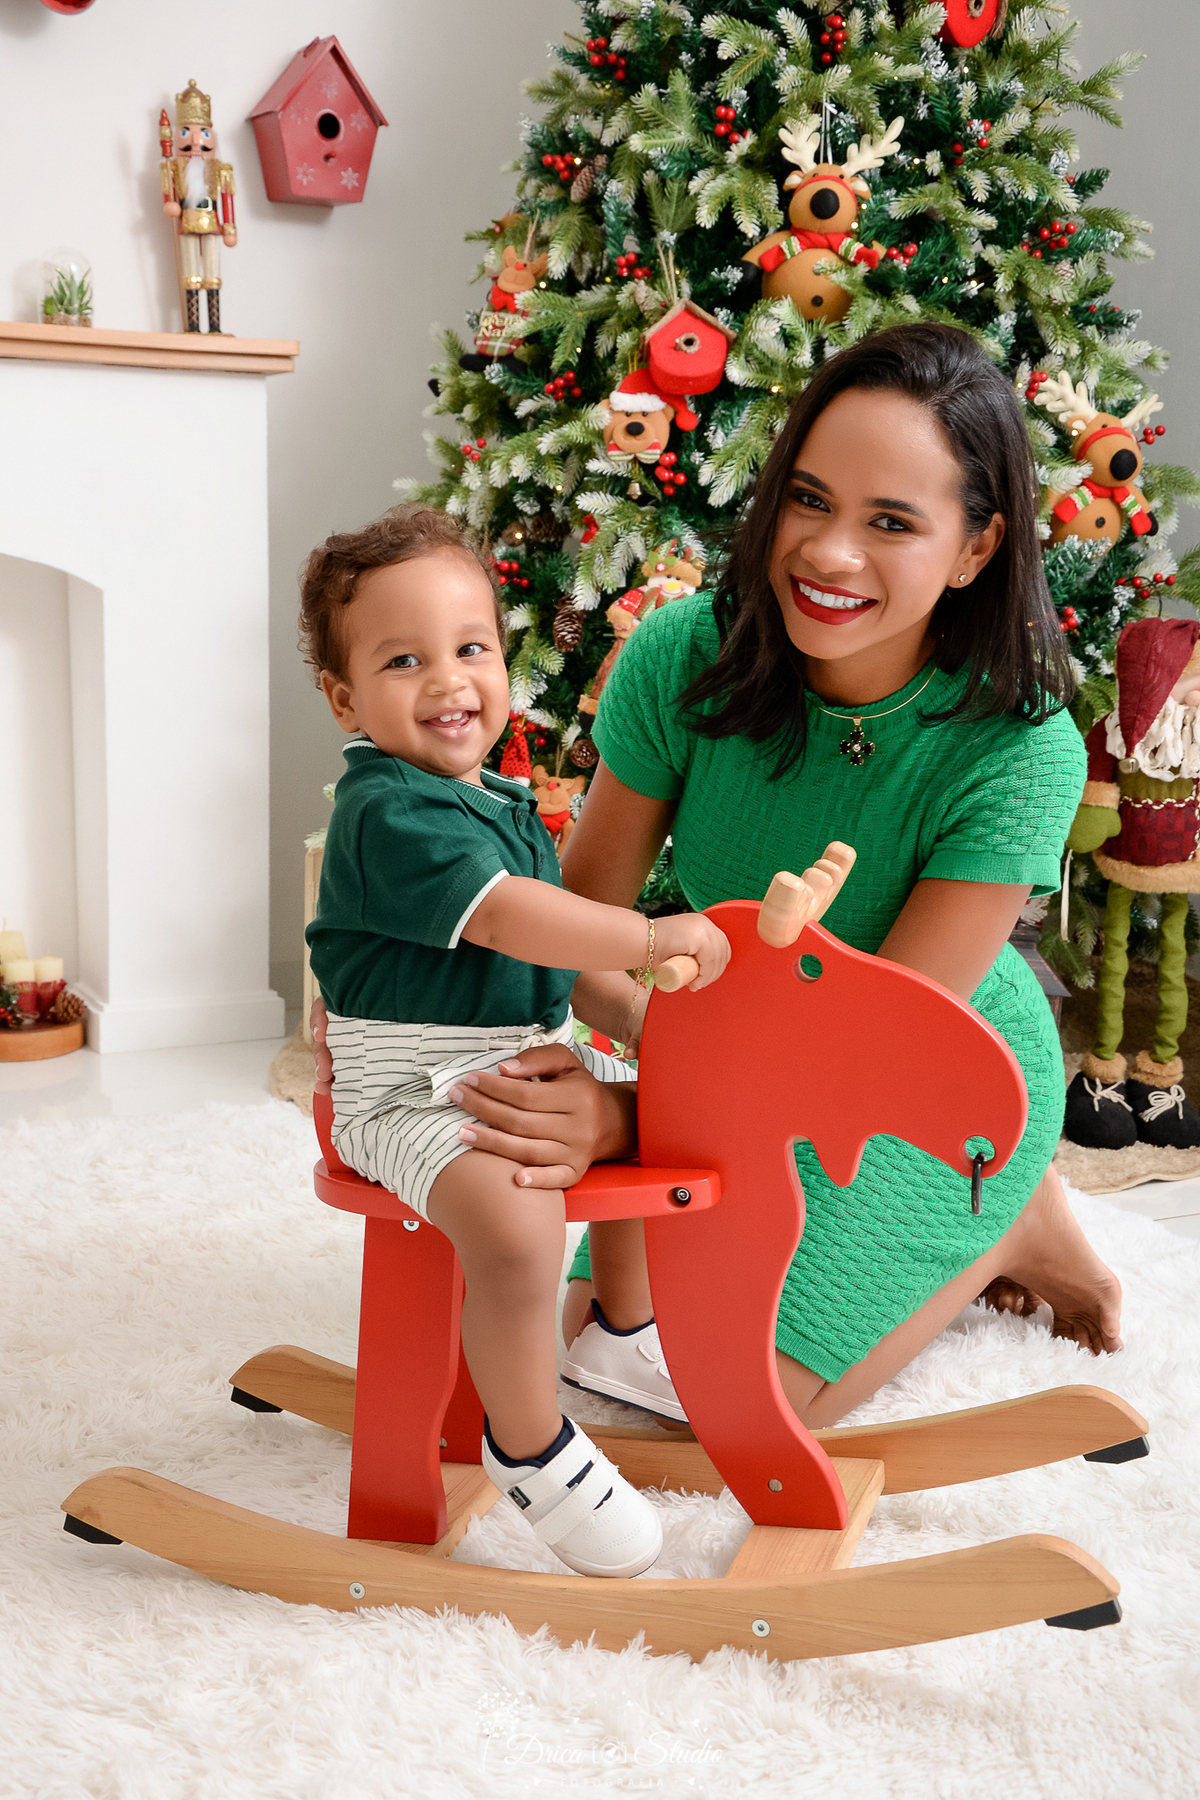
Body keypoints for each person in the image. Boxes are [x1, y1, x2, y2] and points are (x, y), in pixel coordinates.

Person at [446, 322, 1125, 1433]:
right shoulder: (681, 657)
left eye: (892, 522)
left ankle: (1008, 1208)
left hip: (926, 1077)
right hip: (717, 1053)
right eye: (809, 501)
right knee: (587, 1356)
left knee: (733, 1405)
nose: (829, 553)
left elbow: (872, 1048)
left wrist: (631, 1121)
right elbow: (581, 925)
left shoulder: (1020, 745)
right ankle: (1006, 1216)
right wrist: (655, 1078)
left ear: (974, 548)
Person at [300, 505, 848, 1575]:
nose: (450, 681)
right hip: (405, 1088)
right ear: (345, 699)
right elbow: (510, 918)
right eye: (404, 660)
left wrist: (637, 1015)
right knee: (515, 1230)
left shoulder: (497, 800)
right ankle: (529, 1441)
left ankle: (625, 1331)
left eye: (472, 649)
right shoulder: (388, 810)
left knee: (667, 1113)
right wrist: (651, 935)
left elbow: (546, 959)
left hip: (513, 1048)